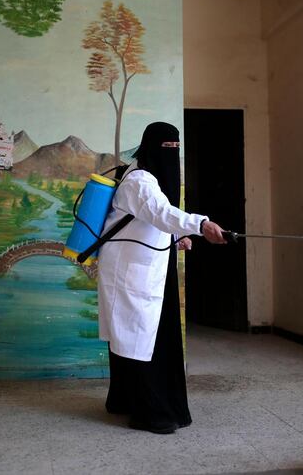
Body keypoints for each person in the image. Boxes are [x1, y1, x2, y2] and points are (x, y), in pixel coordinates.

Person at [97, 121, 227, 434]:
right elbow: (160, 212)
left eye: (175, 148)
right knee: (139, 339)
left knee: (133, 338)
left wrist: (175, 237)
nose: (172, 153)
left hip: (138, 267)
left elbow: (148, 220)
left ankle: (124, 400)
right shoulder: (139, 180)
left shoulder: (141, 173)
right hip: (130, 272)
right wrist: (201, 224)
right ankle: (149, 412)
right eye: (167, 147)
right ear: (151, 146)